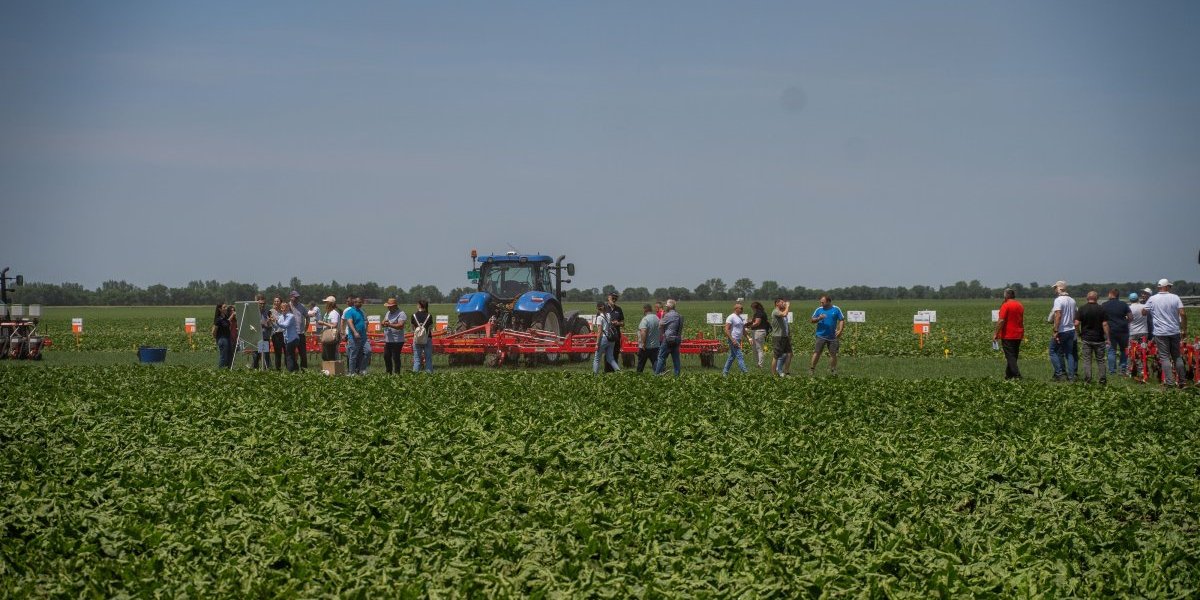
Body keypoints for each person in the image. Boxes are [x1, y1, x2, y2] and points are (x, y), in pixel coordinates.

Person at [1143, 278, 1188, 387]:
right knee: (1177, 356)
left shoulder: (1153, 299)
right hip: (1174, 331)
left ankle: (1169, 382)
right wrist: (1184, 328)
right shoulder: (1175, 297)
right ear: (1166, 287)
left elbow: (1144, 312)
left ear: (1159, 287)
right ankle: (1182, 381)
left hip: (1160, 332)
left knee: (1164, 357)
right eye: (1170, 286)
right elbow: (1182, 313)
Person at [1075, 291, 1110, 384]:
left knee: (1087, 360)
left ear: (1087, 298)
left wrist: (1079, 333)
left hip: (1086, 338)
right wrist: (1107, 337)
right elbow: (1105, 324)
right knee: (1101, 360)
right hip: (1099, 339)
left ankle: (1088, 379)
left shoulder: (1082, 309)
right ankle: (1102, 379)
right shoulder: (1101, 309)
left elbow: (1076, 323)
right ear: (1097, 298)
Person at [1049, 281, 1078, 382]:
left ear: (1060, 288)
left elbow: (1058, 315)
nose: (1055, 290)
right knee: (1069, 353)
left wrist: (1056, 330)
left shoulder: (1058, 300)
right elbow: (1075, 316)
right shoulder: (1072, 300)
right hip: (1071, 329)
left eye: (1055, 288)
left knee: (1052, 351)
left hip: (1062, 330)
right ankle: (1071, 376)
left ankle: (1059, 373)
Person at [809, 295, 845, 376]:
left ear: (828, 302)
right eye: (820, 302)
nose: (821, 303)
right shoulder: (819, 310)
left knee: (833, 354)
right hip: (821, 335)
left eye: (823, 302)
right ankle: (812, 369)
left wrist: (840, 330)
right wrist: (819, 318)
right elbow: (812, 320)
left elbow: (841, 320)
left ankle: (832, 370)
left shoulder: (836, 309)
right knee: (817, 352)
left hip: (833, 336)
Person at [993, 288, 1024, 379]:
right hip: (1018, 333)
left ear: (1006, 295)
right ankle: (1008, 375)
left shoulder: (1005, 305)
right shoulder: (1020, 305)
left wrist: (996, 333)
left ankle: (1017, 375)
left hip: (1008, 334)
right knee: (1013, 356)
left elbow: (1001, 320)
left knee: (1010, 357)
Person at [1102, 288, 1131, 376]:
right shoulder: (1124, 304)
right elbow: (1130, 317)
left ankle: (1112, 371)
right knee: (1123, 350)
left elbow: (1102, 319)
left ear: (1111, 294)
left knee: (1111, 351)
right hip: (1123, 330)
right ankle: (1122, 369)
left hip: (1110, 331)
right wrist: (1125, 322)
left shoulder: (1104, 305)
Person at [654, 299, 683, 376]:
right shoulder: (679, 316)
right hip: (677, 339)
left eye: (667, 306)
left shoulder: (667, 315)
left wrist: (663, 333)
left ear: (669, 307)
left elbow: (660, 325)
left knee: (661, 357)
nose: (666, 307)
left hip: (668, 339)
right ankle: (677, 375)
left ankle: (657, 374)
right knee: (676, 358)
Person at [342, 295, 368, 375]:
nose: (359, 303)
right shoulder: (350, 311)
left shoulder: (362, 311)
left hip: (363, 337)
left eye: (360, 302)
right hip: (353, 337)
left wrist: (366, 324)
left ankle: (361, 369)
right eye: (357, 302)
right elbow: (350, 322)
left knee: (367, 351)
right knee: (353, 355)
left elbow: (365, 320)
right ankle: (351, 372)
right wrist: (355, 332)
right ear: (354, 302)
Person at [593, 302, 621, 373]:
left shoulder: (599, 318)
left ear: (597, 308)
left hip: (604, 338)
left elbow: (599, 332)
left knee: (597, 359)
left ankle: (594, 376)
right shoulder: (608, 315)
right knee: (610, 358)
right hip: (611, 339)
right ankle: (619, 372)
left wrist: (597, 343)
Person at [273, 300, 300, 372]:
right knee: (291, 355)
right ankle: (296, 370)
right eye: (282, 308)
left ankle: (290, 372)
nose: (283, 309)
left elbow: (285, 325)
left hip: (293, 339)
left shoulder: (291, 316)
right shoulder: (281, 316)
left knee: (289, 356)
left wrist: (277, 322)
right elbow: (278, 326)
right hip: (287, 339)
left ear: (288, 308)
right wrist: (272, 322)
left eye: (285, 307)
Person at [381, 298, 407, 374]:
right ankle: (388, 372)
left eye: (390, 306)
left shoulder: (401, 314)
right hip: (388, 339)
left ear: (395, 306)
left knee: (395, 357)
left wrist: (389, 324)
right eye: (388, 306)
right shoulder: (388, 313)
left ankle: (397, 373)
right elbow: (384, 321)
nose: (388, 307)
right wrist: (383, 323)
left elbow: (400, 326)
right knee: (386, 356)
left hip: (397, 340)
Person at [722, 302, 749, 376]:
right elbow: (726, 330)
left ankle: (725, 372)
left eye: (742, 308)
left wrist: (749, 338)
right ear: (736, 309)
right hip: (733, 339)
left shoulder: (740, 318)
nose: (742, 310)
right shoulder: (731, 317)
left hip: (738, 339)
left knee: (732, 356)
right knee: (739, 355)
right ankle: (745, 372)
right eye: (741, 308)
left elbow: (743, 330)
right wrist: (732, 340)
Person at [1127, 292, 1149, 377]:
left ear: (1130, 299)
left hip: (1133, 332)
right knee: (1143, 352)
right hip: (1144, 332)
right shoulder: (1144, 307)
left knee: (1131, 352)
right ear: (1138, 299)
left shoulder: (1129, 308)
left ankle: (1129, 371)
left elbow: (1128, 319)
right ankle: (1144, 371)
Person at [410, 299, 434, 374]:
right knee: (428, 359)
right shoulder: (429, 316)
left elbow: (412, 328)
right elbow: (430, 328)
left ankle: (414, 377)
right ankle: (429, 376)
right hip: (427, 339)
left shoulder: (413, 316)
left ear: (419, 305)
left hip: (417, 340)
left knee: (417, 359)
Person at [770, 298, 792, 376]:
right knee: (776, 355)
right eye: (782, 302)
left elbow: (785, 324)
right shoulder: (775, 311)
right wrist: (788, 306)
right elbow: (784, 314)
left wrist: (788, 334)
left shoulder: (781, 311)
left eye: (784, 303)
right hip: (778, 336)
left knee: (789, 354)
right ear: (777, 304)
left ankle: (786, 371)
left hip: (784, 336)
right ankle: (773, 374)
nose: (784, 304)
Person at [636, 303, 660, 373]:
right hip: (655, 345)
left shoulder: (645, 319)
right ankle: (659, 375)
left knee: (641, 363)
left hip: (646, 346)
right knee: (655, 362)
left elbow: (643, 331)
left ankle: (638, 377)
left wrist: (643, 343)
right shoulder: (656, 318)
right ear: (651, 309)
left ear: (645, 310)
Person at [316, 295, 341, 362]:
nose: (325, 304)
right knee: (325, 356)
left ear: (331, 304)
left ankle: (333, 370)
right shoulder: (327, 313)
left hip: (332, 336)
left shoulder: (334, 313)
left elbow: (334, 325)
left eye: (327, 302)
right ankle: (327, 370)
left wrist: (323, 323)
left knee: (331, 355)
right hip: (326, 336)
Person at [604, 292, 625, 372]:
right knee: (607, 355)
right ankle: (607, 371)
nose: (614, 299)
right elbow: (598, 323)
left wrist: (618, 323)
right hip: (607, 336)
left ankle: (614, 372)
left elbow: (623, 323)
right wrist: (609, 323)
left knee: (615, 354)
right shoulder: (604, 308)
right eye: (613, 297)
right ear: (608, 298)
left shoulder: (619, 309)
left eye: (616, 298)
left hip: (616, 336)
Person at [289, 290, 309, 370]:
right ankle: (295, 369)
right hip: (291, 334)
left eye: (298, 297)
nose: (297, 299)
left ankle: (304, 370)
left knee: (303, 354)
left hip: (300, 333)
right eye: (295, 297)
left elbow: (307, 316)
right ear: (291, 297)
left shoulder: (302, 306)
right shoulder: (287, 306)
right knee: (292, 353)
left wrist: (307, 326)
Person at [251, 294, 272, 369]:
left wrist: (268, 323)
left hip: (265, 336)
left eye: (264, 303)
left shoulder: (268, 312)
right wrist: (262, 323)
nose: (262, 305)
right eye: (261, 303)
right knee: (256, 356)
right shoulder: (254, 312)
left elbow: (269, 325)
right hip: (256, 337)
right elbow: (251, 324)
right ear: (257, 303)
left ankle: (266, 371)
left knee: (265, 356)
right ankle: (255, 371)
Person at [747, 301, 770, 368]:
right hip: (756, 332)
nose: (752, 310)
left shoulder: (759, 313)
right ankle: (758, 364)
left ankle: (760, 364)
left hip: (759, 332)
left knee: (759, 348)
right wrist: (749, 322)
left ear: (754, 308)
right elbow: (754, 321)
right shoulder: (759, 313)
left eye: (752, 308)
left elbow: (757, 323)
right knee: (755, 348)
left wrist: (749, 326)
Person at [213, 303, 234, 368]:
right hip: (222, 339)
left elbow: (228, 322)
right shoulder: (218, 319)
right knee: (224, 356)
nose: (226, 308)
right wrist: (217, 338)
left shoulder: (225, 317)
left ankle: (228, 369)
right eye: (224, 307)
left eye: (226, 307)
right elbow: (214, 331)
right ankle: (221, 370)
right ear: (220, 309)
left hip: (228, 338)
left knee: (230, 355)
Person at [269, 296, 286, 371]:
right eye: (275, 301)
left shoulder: (283, 311)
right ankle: (278, 369)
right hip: (276, 334)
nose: (276, 303)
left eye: (278, 301)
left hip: (284, 334)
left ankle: (288, 368)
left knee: (287, 352)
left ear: (281, 302)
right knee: (278, 353)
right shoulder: (270, 311)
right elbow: (270, 323)